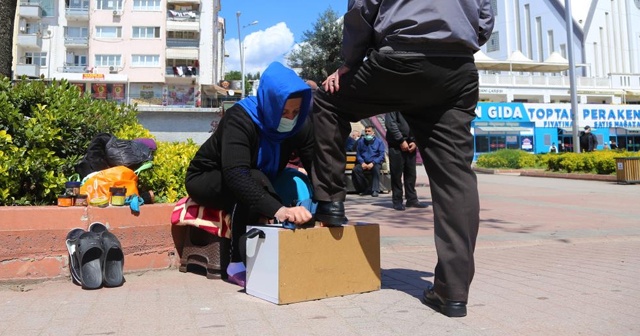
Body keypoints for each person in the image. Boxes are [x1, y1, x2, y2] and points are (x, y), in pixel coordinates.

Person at [310, 1, 494, 318]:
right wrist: (456, 42)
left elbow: (362, 10)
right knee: (456, 177)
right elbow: (486, 17)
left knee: (326, 101)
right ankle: (453, 291)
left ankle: (330, 202)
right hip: (456, 68)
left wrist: (349, 62)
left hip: (399, 58)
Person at [185, 62, 314, 287]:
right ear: (270, 102)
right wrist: (279, 210)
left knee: (290, 180)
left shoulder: (296, 125)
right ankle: (237, 263)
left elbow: (317, 163)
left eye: (295, 112)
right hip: (209, 177)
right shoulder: (240, 118)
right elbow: (236, 174)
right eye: (283, 111)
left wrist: (328, 207)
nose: (289, 117)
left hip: (258, 176)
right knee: (253, 181)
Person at [385, 112, 428, 210]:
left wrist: (415, 141)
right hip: (396, 145)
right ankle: (397, 201)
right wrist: (401, 140)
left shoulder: (413, 106)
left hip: (410, 145)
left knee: (411, 174)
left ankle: (412, 199)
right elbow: (391, 124)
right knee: (396, 175)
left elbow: (417, 124)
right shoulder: (393, 107)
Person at [352, 126, 385, 197]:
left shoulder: (379, 142)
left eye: (369, 131)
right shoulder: (361, 142)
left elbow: (381, 155)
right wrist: (362, 162)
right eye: (366, 131)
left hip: (375, 162)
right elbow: (358, 154)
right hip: (364, 162)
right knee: (356, 169)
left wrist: (373, 163)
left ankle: (375, 190)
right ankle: (366, 189)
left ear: (373, 132)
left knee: (376, 169)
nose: (367, 133)